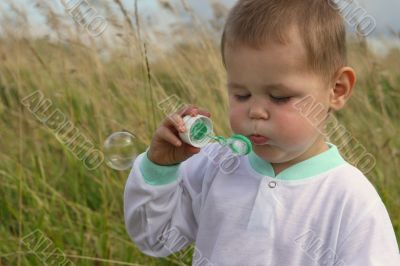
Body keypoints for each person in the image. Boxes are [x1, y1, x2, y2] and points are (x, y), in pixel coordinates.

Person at [124, 0, 400, 265]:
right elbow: (154, 239)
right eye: (241, 95)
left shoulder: (349, 197)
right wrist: (160, 167)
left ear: (337, 90)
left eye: (279, 97)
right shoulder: (213, 165)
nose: (255, 112)